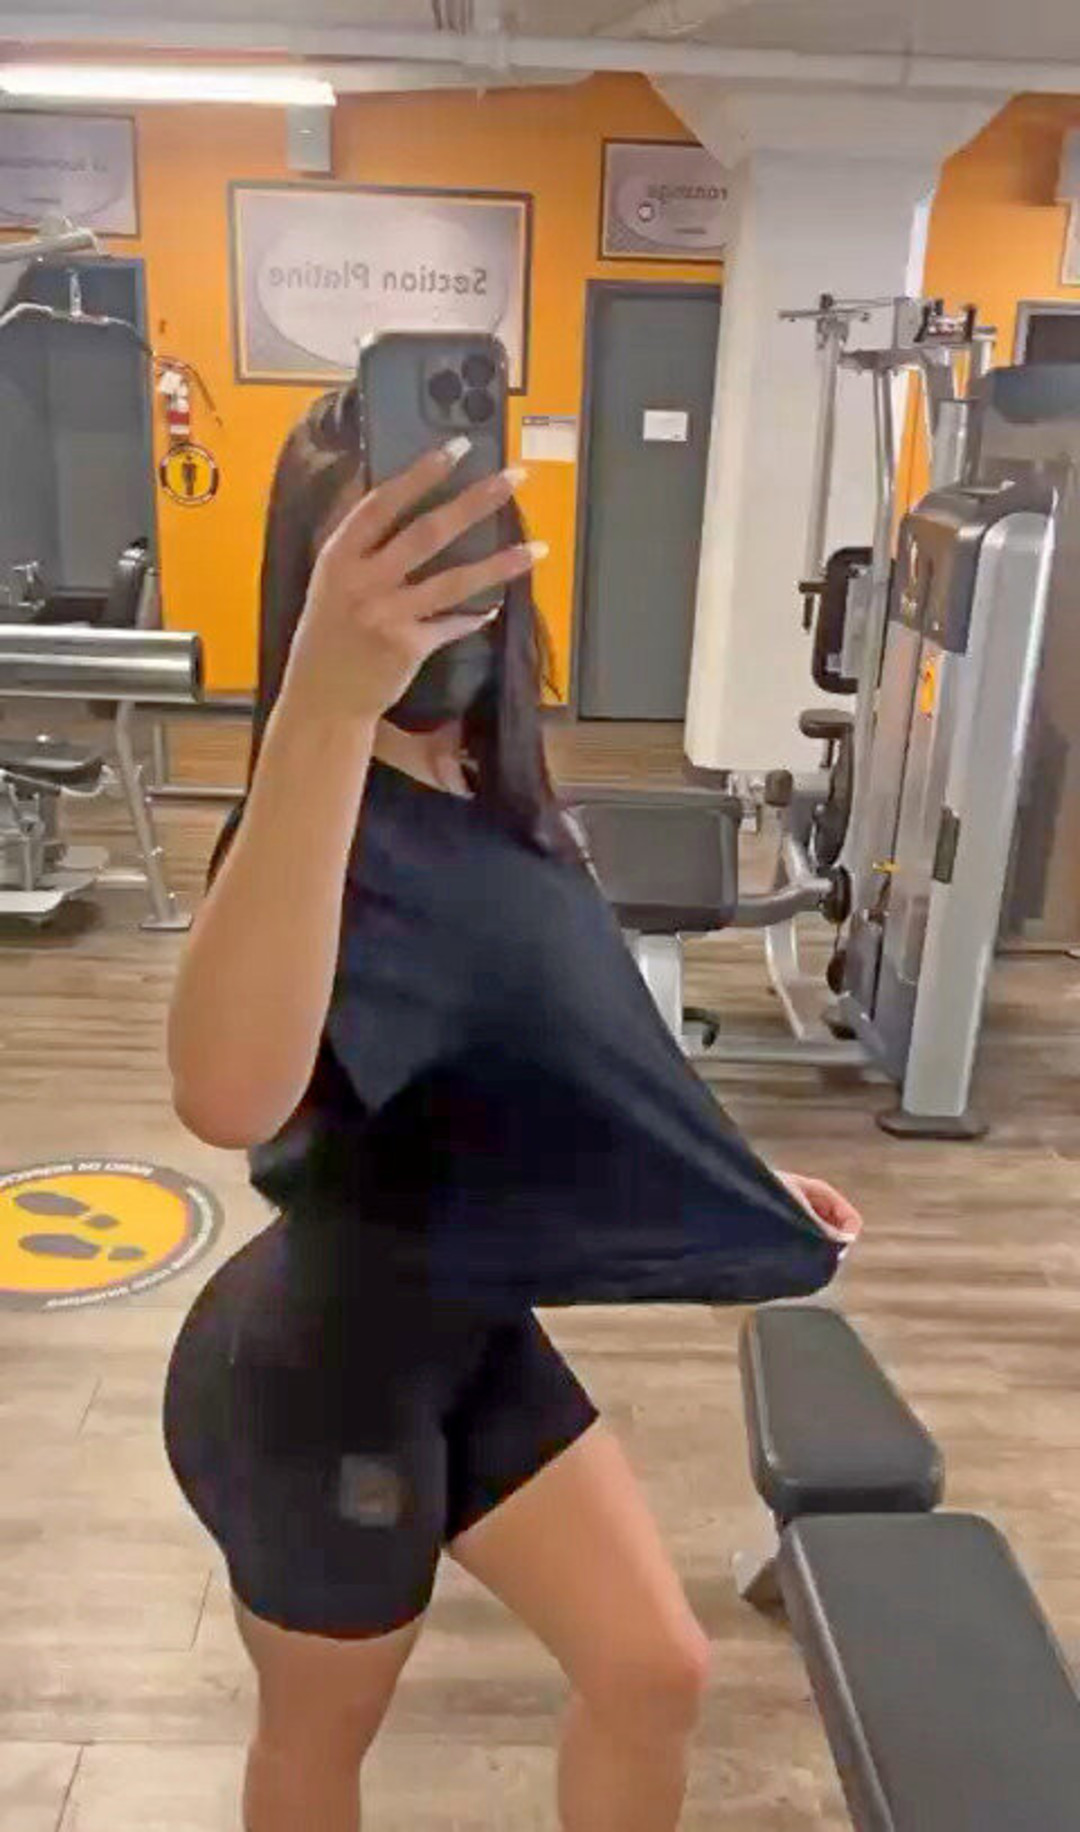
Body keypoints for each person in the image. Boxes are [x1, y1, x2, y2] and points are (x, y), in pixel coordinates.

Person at [164, 384, 862, 1832]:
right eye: (388, 548)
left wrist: (729, 1183)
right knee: (317, 1746)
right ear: (319, 579)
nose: (431, 582)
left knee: (655, 1671)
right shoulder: (307, 819)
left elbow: (584, 1040)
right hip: (317, 1387)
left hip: (470, 1335)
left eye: (461, 541)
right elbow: (226, 1097)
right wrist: (324, 700)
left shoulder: (493, 779)